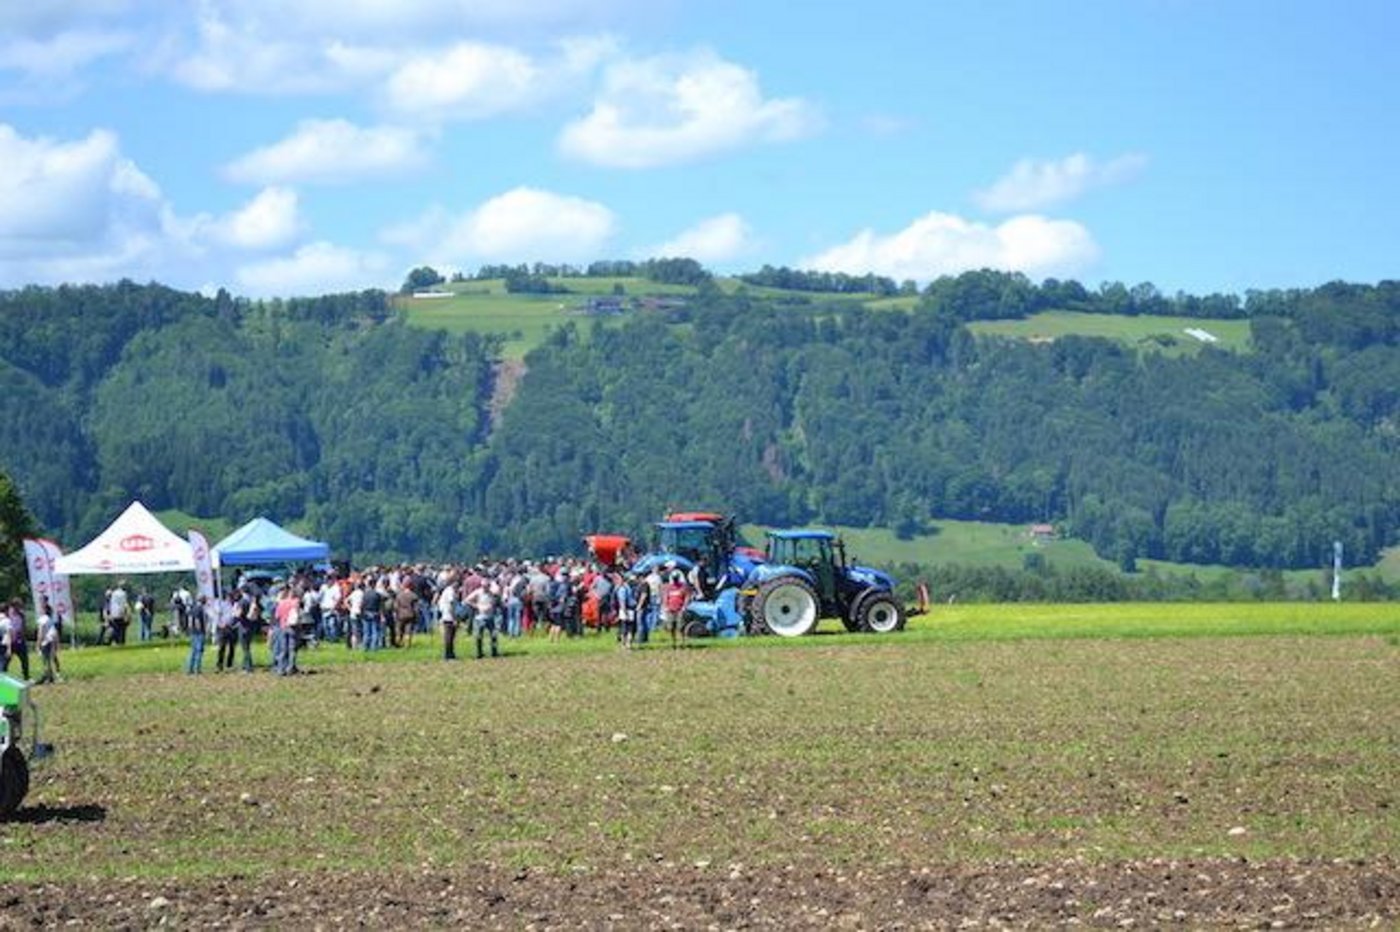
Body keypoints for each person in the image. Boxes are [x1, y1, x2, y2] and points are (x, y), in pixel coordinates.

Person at [471, 581, 500, 659]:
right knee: (479, 636)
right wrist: (477, 606)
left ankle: (494, 652)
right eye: (484, 586)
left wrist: (492, 605)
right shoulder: (477, 592)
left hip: (490, 617)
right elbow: (468, 600)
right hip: (480, 618)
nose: (486, 588)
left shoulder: (491, 593)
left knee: (494, 635)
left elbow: (496, 599)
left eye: (487, 586)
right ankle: (479, 653)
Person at [661, 571, 691, 648]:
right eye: (674, 578)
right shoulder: (669, 588)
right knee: (671, 627)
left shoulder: (683, 587)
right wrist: (665, 606)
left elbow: (687, 597)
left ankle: (682, 642)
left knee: (680, 626)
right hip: (670, 609)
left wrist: (684, 606)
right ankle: (673, 642)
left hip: (680, 609)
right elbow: (665, 597)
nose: (675, 580)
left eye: (676, 578)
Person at [3, 600, 31, 680]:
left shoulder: (21, 615)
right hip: (10, 641)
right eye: (18, 606)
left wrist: (22, 635)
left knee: (24, 659)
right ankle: (3, 676)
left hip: (19, 640)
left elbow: (23, 627)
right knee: (6, 660)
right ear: (14, 606)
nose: (19, 608)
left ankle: (26, 676)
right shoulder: (7, 615)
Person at [36, 599, 60, 684]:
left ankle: (47, 677)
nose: (40, 610)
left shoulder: (42, 619)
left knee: (45, 660)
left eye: (41, 609)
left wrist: (38, 645)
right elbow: (55, 632)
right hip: (51, 640)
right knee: (50, 659)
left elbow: (40, 633)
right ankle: (51, 676)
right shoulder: (50, 619)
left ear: (44, 610)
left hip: (46, 641)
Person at [186, 594, 209, 675]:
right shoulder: (200, 609)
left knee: (193, 650)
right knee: (199, 650)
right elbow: (197, 620)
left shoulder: (193, 608)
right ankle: (197, 669)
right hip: (199, 632)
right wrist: (201, 630)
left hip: (193, 632)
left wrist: (190, 629)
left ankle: (190, 669)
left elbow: (189, 620)